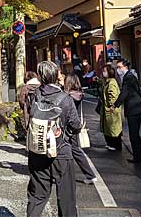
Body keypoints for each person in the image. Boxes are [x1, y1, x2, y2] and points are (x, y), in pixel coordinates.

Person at [26, 61, 81, 217]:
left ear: (39, 76)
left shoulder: (34, 95)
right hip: (61, 151)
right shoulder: (65, 99)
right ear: (57, 75)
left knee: (37, 196)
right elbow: (75, 125)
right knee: (66, 198)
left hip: (37, 150)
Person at [64, 74, 97, 185]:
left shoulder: (68, 97)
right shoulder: (78, 94)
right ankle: (89, 175)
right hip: (76, 124)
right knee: (74, 150)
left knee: (74, 150)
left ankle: (90, 175)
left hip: (69, 125)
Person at [114, 59, 141, 163]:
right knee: (134, 134)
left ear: (125, 67)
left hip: (134, 109)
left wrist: (115, 105)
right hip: (137, 108)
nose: (118, 70)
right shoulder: (129, 76)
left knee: (134, 134)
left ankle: (139, 157)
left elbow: (124, 92)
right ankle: (140, 156)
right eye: (117, 67)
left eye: (119, 67)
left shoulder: (128, 77)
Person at [100, 65, 123, 151]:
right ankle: (111, 144)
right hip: (109, 108)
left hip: (111, 109)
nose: (103, 73)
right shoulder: (107, 81)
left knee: (113, 128)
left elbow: (113, 96)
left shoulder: (111, 82)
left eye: (105, 71)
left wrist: (111, 105)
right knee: (110, 128)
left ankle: (115, 145)